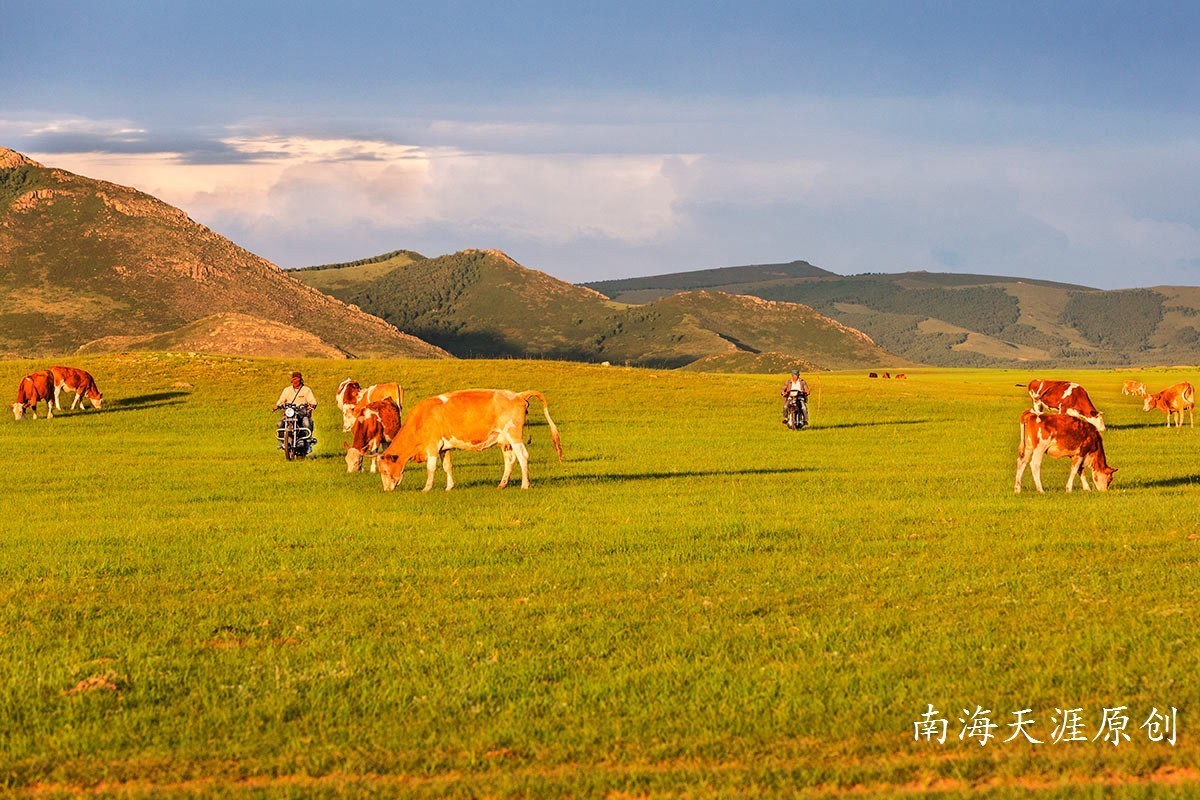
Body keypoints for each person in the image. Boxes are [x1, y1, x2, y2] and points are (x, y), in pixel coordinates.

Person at [274, 371, 318, 452]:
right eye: (293, 379)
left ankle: (308, 442)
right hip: (289, 413)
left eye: (297, 379)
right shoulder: (287, 390)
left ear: (301, 380)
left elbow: (313, 402)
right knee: (280, 423)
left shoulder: (306, 390)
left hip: (302, 413)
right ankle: (283, 442)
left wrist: (311, 405)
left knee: (306, 422)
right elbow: (281, 400)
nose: (295, 381)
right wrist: (277, 406)